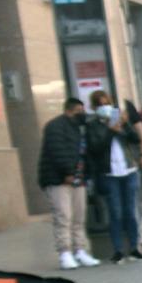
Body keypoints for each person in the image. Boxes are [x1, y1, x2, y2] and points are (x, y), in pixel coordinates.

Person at [85, 90, 142, 264]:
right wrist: (111, 131)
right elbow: (95, 148)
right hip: (109, 173)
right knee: (116, 212)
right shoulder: (92, 125)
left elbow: (135, 139)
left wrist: (124, 126)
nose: (104, 107)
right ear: (94, 107)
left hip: (128, 170)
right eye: (99, 104)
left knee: (131, 211)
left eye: (106, 103)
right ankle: (118, 250)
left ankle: (135, 248)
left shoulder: (120, 121)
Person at [38, 97, 95, 270]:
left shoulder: (79, 128)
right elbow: (58, 150)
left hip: (79, 178)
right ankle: (65, 252)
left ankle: (80, 250)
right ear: (69, 110)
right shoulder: (55, 126)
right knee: (63, 216)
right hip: (59, 180)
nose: (82, 114)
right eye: (79, 110)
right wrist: (68, 172)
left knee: (78, 217)